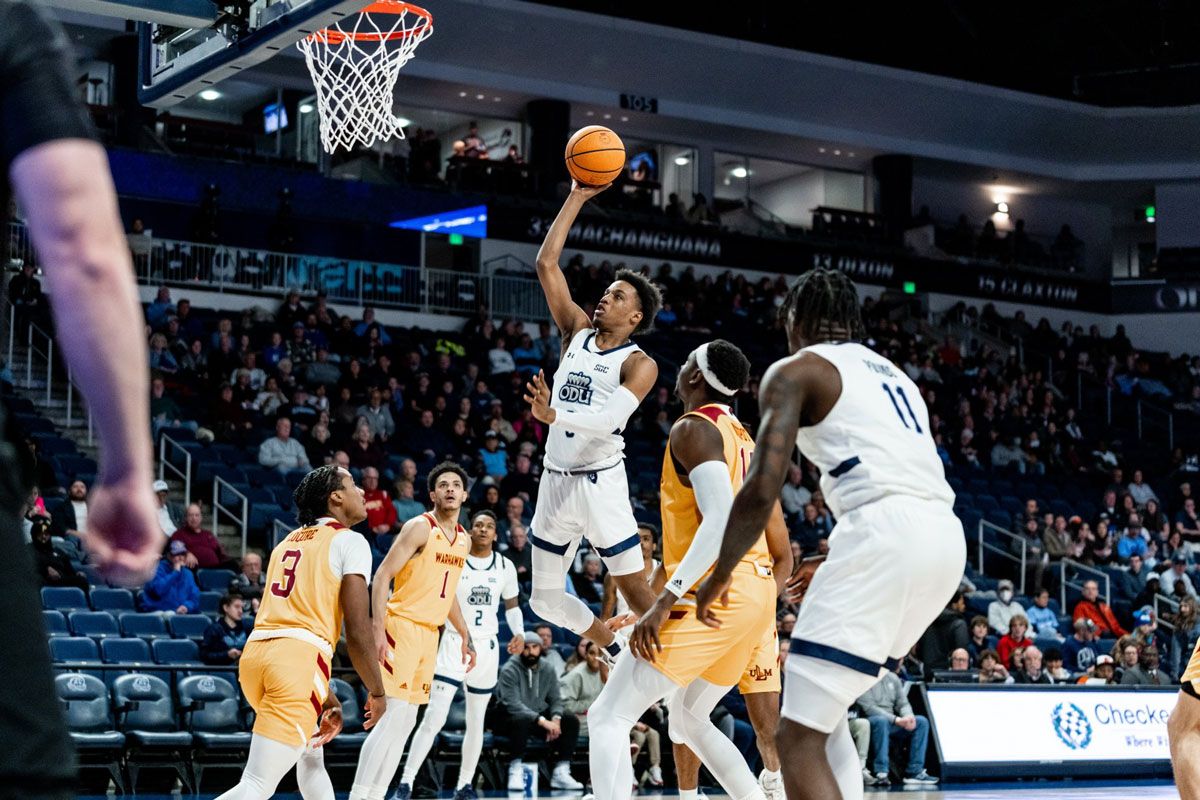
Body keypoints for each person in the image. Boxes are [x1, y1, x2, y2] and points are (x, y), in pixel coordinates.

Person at [694, 269, 964, 800]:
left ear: (795, 318)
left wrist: (720, 572)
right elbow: (895, 478)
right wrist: (838, 551)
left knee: (794, 738)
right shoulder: (896, 375)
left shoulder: (796, 370)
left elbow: (759, 489)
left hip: (886, 536)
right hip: (944, 540)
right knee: (824, 711)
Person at [590, 340, 791, 800]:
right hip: (752, 599)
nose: (678, 371)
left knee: (608, 716)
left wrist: (663, 601)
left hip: (716, 592)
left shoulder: (692, 428)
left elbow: (719, 521)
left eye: (684, 365)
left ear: (696, 378)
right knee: (686, 718)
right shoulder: (745, 439)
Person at [522, 179, 662, 661]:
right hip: (555, 481)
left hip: (601, 485)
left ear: (635, 315)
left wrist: (552, 413)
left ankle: (675, 677)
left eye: (617, 296)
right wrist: (577, 197)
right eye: (605, 292)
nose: (604, 298)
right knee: (544, 599)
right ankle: (618, 649)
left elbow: (607, 421)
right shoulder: (575, 333)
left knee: (640, 596)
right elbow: (546, 263)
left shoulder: (639, 363)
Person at [214, 465, 386, 800]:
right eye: (353, 485)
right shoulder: (350, 541)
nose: (362, 492)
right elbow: (358, 629)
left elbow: (293, 615)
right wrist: (378, 693)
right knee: (256, 784)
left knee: (311, 756)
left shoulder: (286, 542)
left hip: (259, 657)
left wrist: (324, 694)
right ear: (335, 497)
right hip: (296, 663)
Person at [349, 463, 476, 800]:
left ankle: (376, 795)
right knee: (391, 719)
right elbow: (381, 577)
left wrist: (465, 635)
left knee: (405, 725)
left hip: (429, 635)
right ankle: (360, 795)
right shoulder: (421, 527)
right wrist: (378, 629)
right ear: (432, 494)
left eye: (456, 485)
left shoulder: (462, 539)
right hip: (401, 627)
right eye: (443, 485)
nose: (450, 489)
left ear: (465, 494)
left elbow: (446, 595)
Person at [392, 510, 524, 800]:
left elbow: (512, 606)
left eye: (489, 526)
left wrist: (519, 632)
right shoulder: (455, 559)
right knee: (435, 718)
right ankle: (406, 782)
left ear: (495, 533)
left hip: (487, 647)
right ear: (470, 530)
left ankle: (465, 785)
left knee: (476, 720)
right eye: (478, 525)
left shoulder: (505, 566)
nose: (483, 530)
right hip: (453, 643)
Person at [489, 631, 584, 791]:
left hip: (538, 719)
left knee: (570, 720)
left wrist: (556, 719)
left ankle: (561, 771)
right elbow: (512, 704)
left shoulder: (548, 668)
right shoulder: (509, 669)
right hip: (509, 720)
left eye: (535, 647)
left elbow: (556, 698)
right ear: (520, 649)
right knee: (521, 719)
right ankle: (515, 768)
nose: (531, 651)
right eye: (526, 647)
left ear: (541, 648)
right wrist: (543, 721)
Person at [858, 664, 936, 786]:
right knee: (881, 721)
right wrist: (896, 719)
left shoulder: (892, 678)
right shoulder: (864, 679)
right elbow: (869, 708)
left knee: (921, 722)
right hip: (871, 721)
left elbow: (903, 703)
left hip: (893, 721)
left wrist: (908, 717)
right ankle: (881, 772)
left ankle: (914, 771)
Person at [171, 503, 237, 570]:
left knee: (233, 564)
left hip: (216, 567)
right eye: (191, 515)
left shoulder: (208, 534)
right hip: (196, 569)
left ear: (201, 518)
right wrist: (187, 553)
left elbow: (220, 553)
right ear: (186, 518)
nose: (194, 518)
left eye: (197, 515)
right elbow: (176, 551)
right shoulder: (179, 534)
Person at [140, 540, 200, 614]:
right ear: (169, 555)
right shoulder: (155, 569)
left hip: (179, 614)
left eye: (183, 554)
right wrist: (175, 573)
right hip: (157, 612)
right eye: (177, 554)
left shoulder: (188, 574)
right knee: (167, 614)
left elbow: (194, 597)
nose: (181, 558)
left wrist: (186, 606)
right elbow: (158, 590)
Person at [28, 517, 88, 592]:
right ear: (34, 535)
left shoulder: (58, 551)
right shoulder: (28, 550)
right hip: (44, 582)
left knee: (81, 580)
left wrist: (77, 574)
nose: (43, 537)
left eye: (46, 534)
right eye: (40, 534)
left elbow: (69, 571)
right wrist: (45, 570)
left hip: (61, 580)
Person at [201, 593, 252, 666]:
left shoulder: (247, 628)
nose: (240, 611)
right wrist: (226, 654)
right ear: (226, 608)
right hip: (222, 669)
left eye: (241, 607)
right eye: (237, 607)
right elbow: (204, 655)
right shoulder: (213, 629)